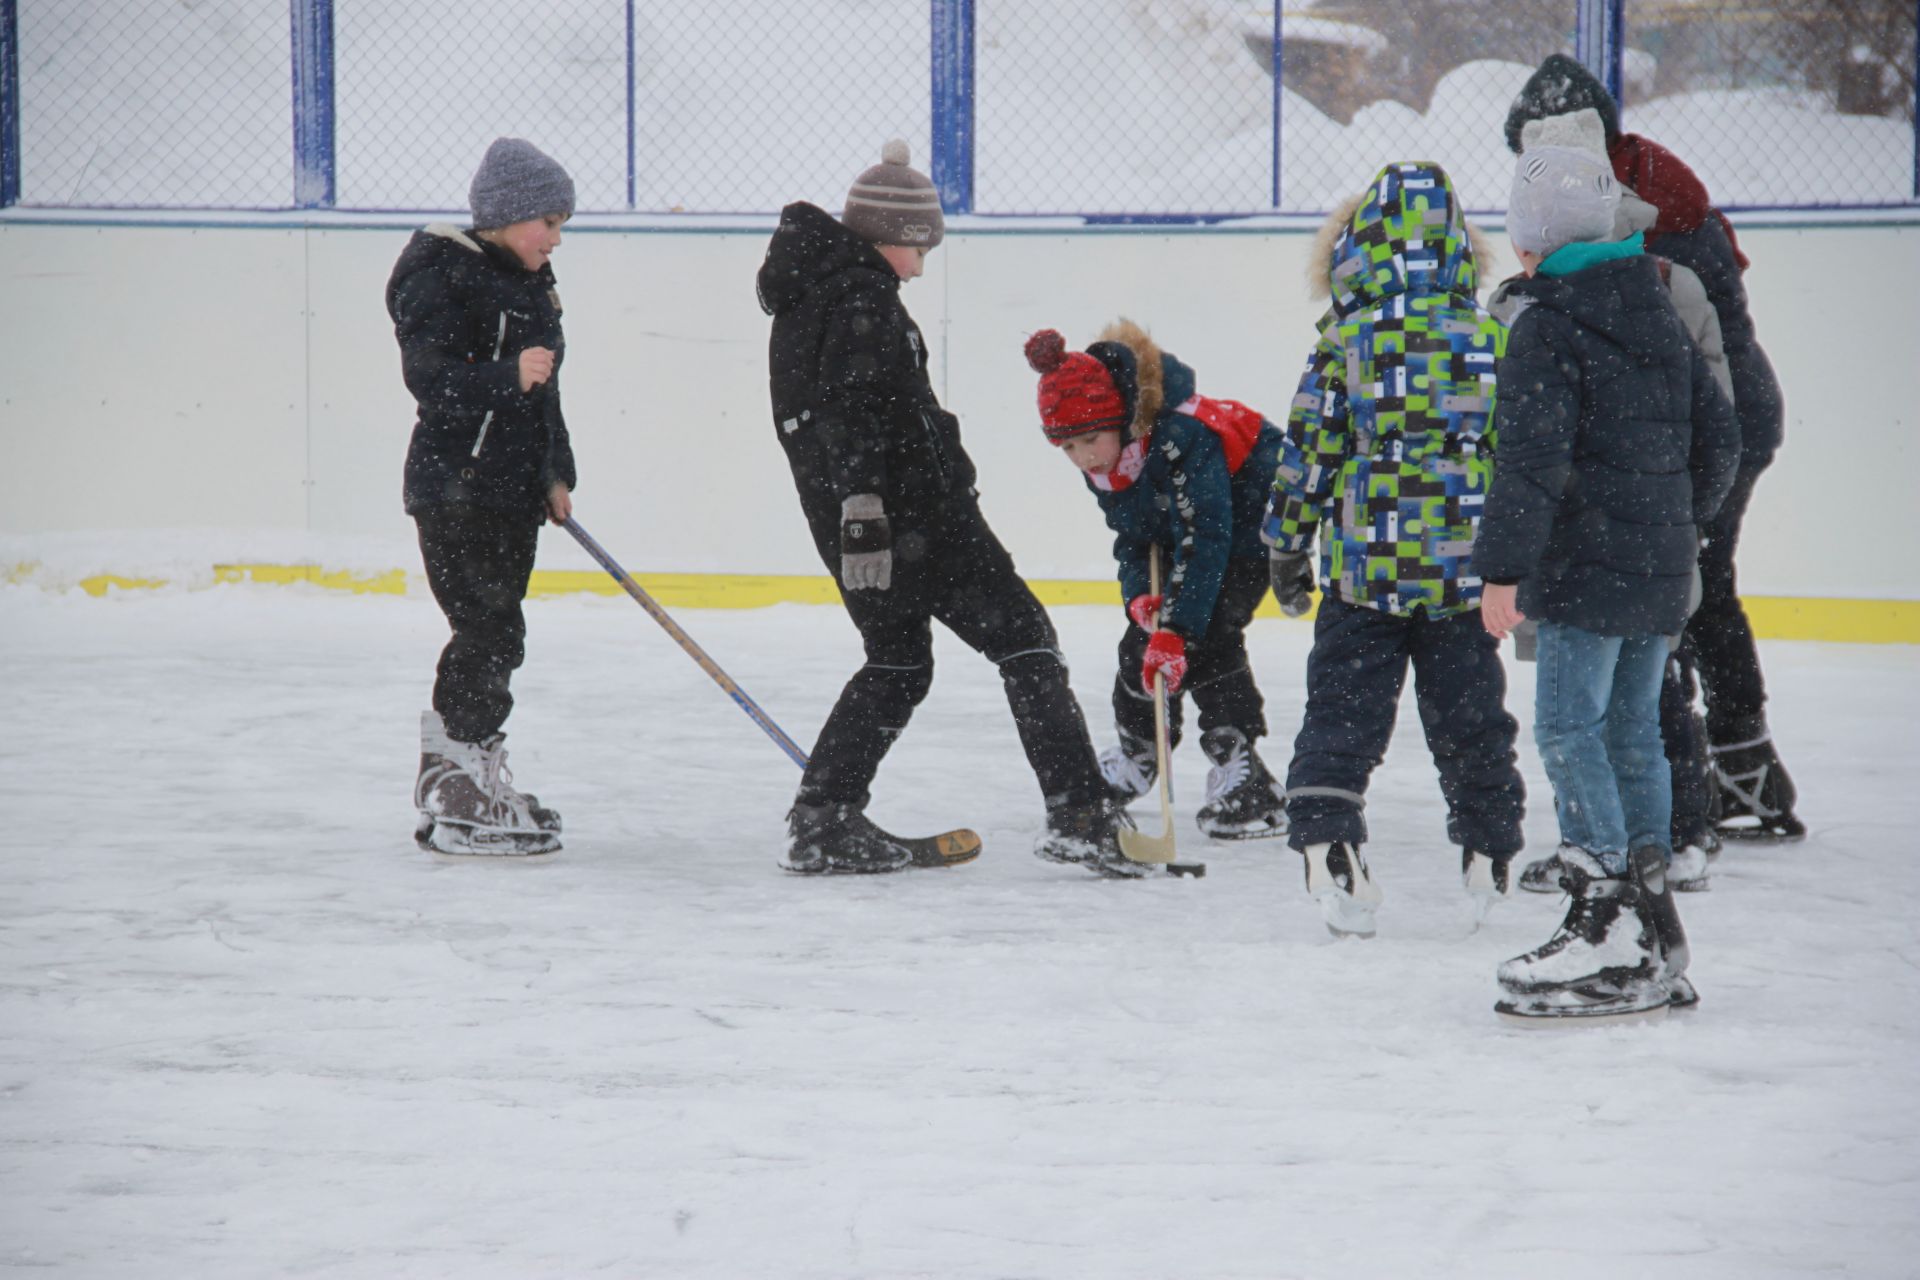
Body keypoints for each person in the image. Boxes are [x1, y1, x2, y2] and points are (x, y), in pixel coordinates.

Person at [755, 141, 1136, 877]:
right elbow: (853, 414)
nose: (924, 264)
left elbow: (837, 419)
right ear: (891, 233)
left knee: (898, 660)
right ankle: (1080, 814)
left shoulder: (813, 295)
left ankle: (824, 816)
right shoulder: (859, 299)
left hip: (857, 521)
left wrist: (854, 516)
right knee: (1026, 641)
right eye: (919, 246)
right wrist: (868, 507)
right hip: (915, 518)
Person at [1505, 54, 1803, 844]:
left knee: (1682, 590)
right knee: (1673, 587)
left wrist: (1675, 503)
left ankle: (1709, 787)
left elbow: (1693, 355)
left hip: (1708, 419)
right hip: (1700, 420)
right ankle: (1720, 782)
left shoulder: (1648, 218)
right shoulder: (1634, 192)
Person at [1477, 145, 1740, 1023]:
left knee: (1566, 727)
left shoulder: (1546, 324)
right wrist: (1674, 524)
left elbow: (1530, 462)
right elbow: (1722, 442)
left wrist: (1504, 570)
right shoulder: (1657, 304)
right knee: (1633, 732)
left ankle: (1602, 909)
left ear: (1530, 247)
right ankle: (1652, 916)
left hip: (1587, 568)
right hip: (1661, 564)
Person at [1262, 161, 1526, 938]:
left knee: (1343, 710)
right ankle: (1489, 846)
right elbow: (1519, 455)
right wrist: (1524, 557)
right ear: (1456, 252)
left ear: (1356, 253)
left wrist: (1285, 544)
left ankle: (1326, 834)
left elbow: (1309, 448)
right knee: (1471, 716)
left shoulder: (1347, 339)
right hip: (1463, 573)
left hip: (1363, 568)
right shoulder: (1490, 337)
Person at [1022, 319, 1287, 841]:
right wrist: (1139, 596)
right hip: (1188, 525)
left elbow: (1206, 536)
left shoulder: (1181, 435)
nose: (1083, 458)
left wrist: (1178, 629)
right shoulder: (1107, 456)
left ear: (1118, 418)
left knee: (1208, 635)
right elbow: (1133, 538)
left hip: (1251, 522)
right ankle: (1141, 753)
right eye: (1067, 448)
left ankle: (1245, 775)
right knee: (1140, 645)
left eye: (1090, 441)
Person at [387, 137, 578, 858]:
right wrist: (505, 375)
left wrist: (556, 473)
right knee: (488, 627)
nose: (556, 239)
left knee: (498, 630)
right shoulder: (441, 273)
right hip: (456, 485)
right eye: (548, 223)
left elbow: (545, 394)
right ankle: (456, 775)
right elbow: (430, 381)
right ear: (506, 216)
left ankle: (463, 773)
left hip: (510, 488)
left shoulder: (531, 282)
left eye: (562, 226)